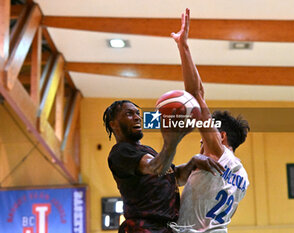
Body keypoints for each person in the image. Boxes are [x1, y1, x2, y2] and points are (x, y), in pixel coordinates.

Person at [169, 9, 250, 232]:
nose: (202, 143)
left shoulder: (220, 157)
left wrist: (183, 46)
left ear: (221, 136)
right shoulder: (241, 177)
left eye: (206, 139)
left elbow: (196, 95)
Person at [103, 100, 225, 233]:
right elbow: (156, 167)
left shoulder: (147, 150)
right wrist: (171, 141)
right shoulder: (120, 152)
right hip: (142, 228)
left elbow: (175, 176)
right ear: (113, 124)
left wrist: (193, 163)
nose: (137, 117)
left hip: (164, 228)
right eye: (129, 114)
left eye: (138, 113)